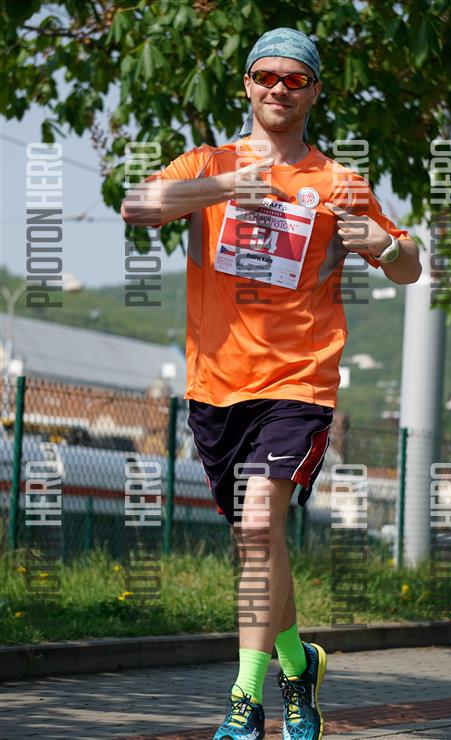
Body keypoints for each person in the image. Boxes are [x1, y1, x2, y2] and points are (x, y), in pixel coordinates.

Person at [122, 26, 421, 740]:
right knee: (257, 545)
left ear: (314, 92)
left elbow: (410, 267)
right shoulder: (208, 163)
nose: (279, 89)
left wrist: (386, 245)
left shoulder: (338, 181)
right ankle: (297, 664)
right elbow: (137, 206)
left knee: (260, 526)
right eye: (267, 76)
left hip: (299, 382)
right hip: (216, 387)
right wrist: (227, 186)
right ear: (247, 85)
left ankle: (243, 701)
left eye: (296, 79)